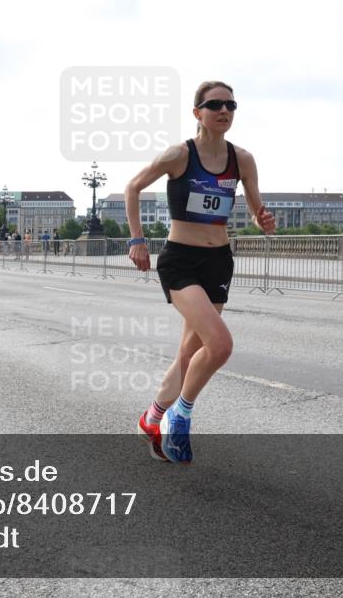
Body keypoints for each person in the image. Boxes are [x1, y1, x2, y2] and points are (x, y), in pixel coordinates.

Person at [126, 80, 275, 465]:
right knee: (220, 345)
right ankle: (181, 415)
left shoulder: (242, 160)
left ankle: (151, 419)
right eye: (215, 105)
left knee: (189, 353)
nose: (224, 111)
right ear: (198, 113)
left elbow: (257, 210)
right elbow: (133, 187)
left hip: (218, 261)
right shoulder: (179, 155)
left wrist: (263, 220)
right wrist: (136, 240)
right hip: (180, 260)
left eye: (230, 105)